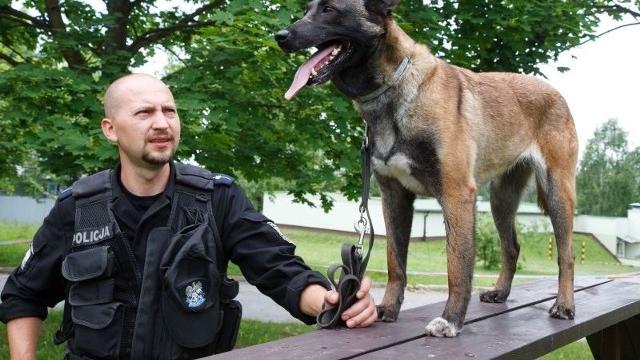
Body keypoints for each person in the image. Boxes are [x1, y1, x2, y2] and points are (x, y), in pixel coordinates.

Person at [0, 73, 377, 359]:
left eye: (169, 111)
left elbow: (281, 271)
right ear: (110, 129)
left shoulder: (217, 198)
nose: (162, 123)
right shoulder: (78, 207)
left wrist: (332, 301)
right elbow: (22, 295)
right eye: (144, 113)